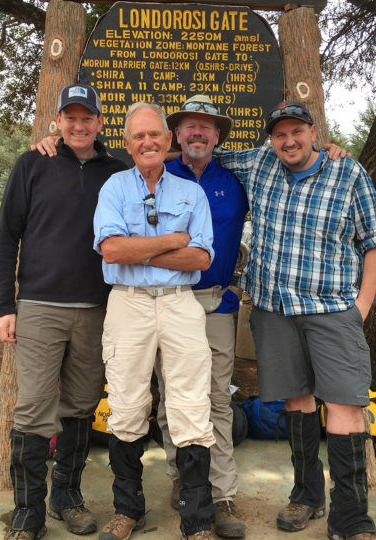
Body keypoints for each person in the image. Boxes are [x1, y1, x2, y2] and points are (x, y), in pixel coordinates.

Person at [212, 101, 376, 540]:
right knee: (297, 403)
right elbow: (202, 149)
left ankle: (350, 518)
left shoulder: (348, 173)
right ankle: (307, 495)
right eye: (279, 134)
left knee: (348, 408)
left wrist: (362, 307)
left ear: (314, 132)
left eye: (297, 132)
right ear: (270, 139)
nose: (288, 141)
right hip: (275, 311)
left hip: (332, 311)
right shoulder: (259, 162)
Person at [0, 83, 128, 540]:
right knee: (32, 408)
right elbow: (7, 236)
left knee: (81, 404)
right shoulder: (34, 163)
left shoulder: (119, 169)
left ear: (100, 123)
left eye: (86, 117)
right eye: (70, 118)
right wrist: (5, 307)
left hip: (96, 309)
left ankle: (65, 497)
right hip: (39, 307)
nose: (78, 125)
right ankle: (26, 511)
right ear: (58, 122)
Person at [93, 102, 216, 540]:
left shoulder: (191, 193)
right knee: (126, 405)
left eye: (155, 135)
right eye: (138, 136)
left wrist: (140, 246)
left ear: (168, 142)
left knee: (191, 408)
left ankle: (197, 520)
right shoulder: (113, 188)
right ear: (127, 145)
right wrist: (171, 241)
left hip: (181, 303)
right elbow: (112, 251)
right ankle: (128, 510)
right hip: (128, 304)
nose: (147, 142)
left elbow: (200, 258)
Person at [154, 95, 248, 538]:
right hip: (166, 299)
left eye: (206, 127)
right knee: (171, 397)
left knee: (216, 399)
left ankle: (222, 493)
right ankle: (182, 480)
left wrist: (329, 149)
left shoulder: (234, 181)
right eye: (189, 125)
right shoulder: (155, 174)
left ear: (217, 137)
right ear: (176, 133)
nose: (197, 132)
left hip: (215, 302)